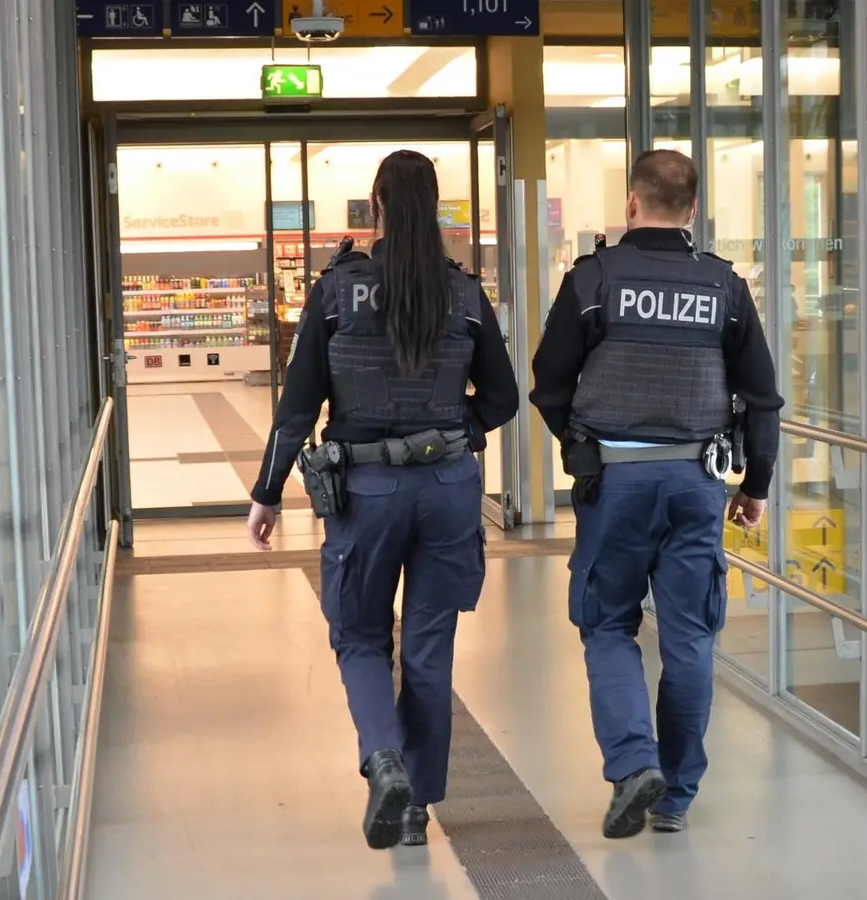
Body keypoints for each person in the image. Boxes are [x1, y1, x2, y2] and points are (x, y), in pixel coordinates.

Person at [246, 150, 519, 850]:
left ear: (376, 207)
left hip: (364, 491)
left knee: (362, 636)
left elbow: (298, 403)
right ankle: (418, 808)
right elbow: (503, 397)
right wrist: (454, 433)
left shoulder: (337, 291)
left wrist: (268, 493)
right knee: (429, 650)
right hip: (450, 491)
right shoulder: (464, 293)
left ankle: (384, 758)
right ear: (431, 209)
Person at [529, 149, 784, 838]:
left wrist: (581, 445)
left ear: (632, 204)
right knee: (690, 636)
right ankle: (673, 795)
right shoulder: (724, 287)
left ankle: (634, 762)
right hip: (697, 481)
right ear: (694, 211)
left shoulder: (594, 279)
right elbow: (761, 398)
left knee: (608, 623)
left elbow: (547, 381)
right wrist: (755, 484)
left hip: (613, 481)